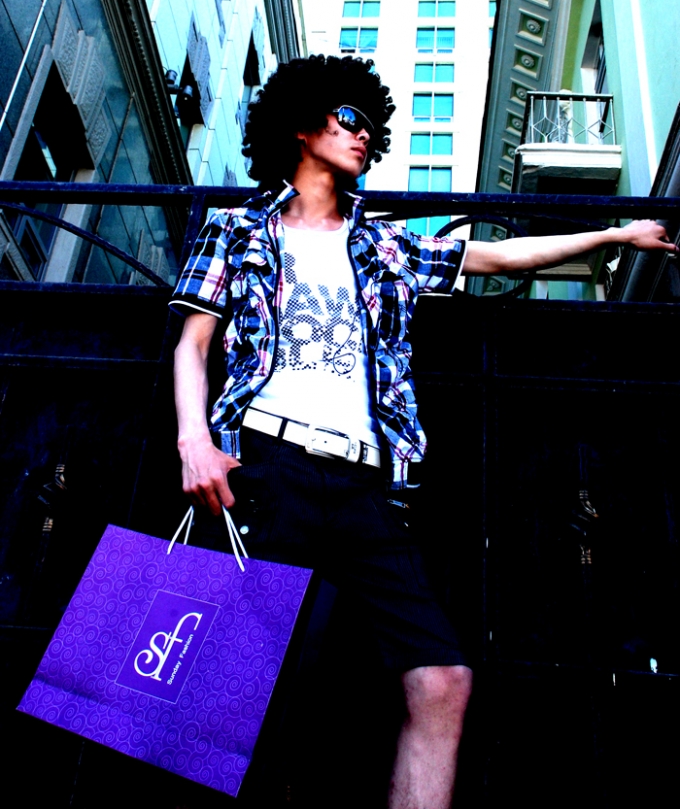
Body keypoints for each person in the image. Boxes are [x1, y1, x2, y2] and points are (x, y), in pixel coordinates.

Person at [170, 55, 676, 809]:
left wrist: (617, 234)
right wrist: (195, 441)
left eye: (370, 129)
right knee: (232, 689)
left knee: (442, 680)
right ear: (302, 125)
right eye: (349, 119)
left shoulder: (386, 245)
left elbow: (496, 254)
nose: (364, 137)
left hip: (368, 486)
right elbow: (193, 343)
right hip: (265, 470)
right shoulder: (236, 229)